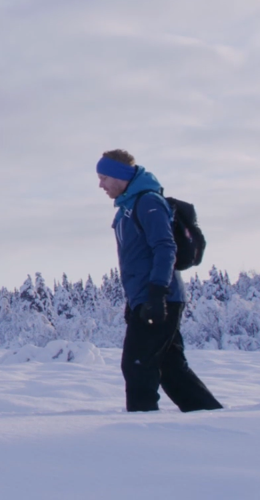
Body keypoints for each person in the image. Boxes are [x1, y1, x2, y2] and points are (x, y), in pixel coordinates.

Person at [97, 149, 223, 413]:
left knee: (137, 365)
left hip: (160, 297)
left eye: (104, 177)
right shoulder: (128, 208)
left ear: (120, 176)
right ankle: (210, 417)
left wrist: (156, 294)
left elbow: (165, 247)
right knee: (170, 368)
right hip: (149, 298)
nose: (101, 185)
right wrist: (136, 301)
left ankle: (143, 429)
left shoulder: (148, 202)